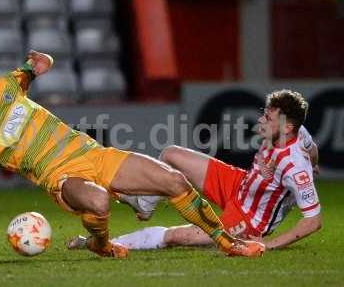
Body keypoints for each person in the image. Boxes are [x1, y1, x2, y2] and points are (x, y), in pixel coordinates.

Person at [0, 51, 265, 262]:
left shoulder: (5, 87)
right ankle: (101, 242)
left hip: (95, 155)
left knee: (175, 180)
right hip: (63, 179)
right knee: (98, 201)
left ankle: (226, 243)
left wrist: (44, 61)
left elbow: (37, 65)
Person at [67, 90, 322, 251]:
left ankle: (112, 243)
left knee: (177, 237)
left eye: (267, 118)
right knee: (171, 154)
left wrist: (270, 243)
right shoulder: (298, 133)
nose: (260, 121)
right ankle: (145, 205)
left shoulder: (294, 166)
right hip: (240, 183)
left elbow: (314, 221)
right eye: (263, 115)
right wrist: (316, 163)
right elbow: (312, 150)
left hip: (250, 218)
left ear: (286, 127)